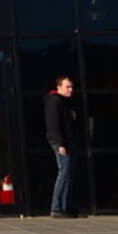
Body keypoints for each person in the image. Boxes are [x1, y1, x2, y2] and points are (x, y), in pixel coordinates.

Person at [44, 76, 79, 218]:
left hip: (67, 142)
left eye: (71, 87)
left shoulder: (63, 102)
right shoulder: (54, 101)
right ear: (59, 87)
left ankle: (64, 207)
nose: (71, 90)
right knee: (64, 173)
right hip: (61, 143)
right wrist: (59, 144)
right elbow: (53, 124)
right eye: (67, 87)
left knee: (68, 174)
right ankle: (57, 207)